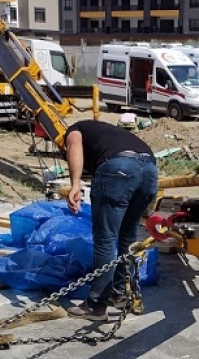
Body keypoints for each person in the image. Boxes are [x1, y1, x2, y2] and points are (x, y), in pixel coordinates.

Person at [65, 120, 158, 321]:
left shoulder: (76, 128)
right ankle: (121, 294)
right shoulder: (112, 133)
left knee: (105, 239)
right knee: (128, 237)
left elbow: (74, 145)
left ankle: (96, 305)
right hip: (150, 171)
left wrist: (75, 184)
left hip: (119, 168)